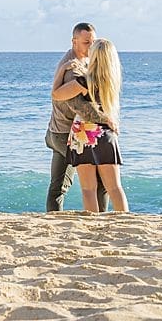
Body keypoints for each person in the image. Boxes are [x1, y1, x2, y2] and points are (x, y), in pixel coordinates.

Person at [55, 38, 130, 212]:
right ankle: (125, 219)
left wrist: (62, 69)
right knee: (115, 188)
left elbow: (57, 94)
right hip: (106, 135)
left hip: (83, 135)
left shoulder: (84, 81)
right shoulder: (112, 81)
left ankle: (94, 225)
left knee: (88, 190)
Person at [45, 21, 109, 211]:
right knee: (100, 181)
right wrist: (107, 120)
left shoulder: (80, 61)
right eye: (86, 43)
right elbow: (78, 106)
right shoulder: (73, 70)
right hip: (67, 135)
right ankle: (100, 219)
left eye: (93, 42)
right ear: (74, 41)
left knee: (58, 186)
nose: (91, 46)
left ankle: (54, 220)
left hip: (56, 132)